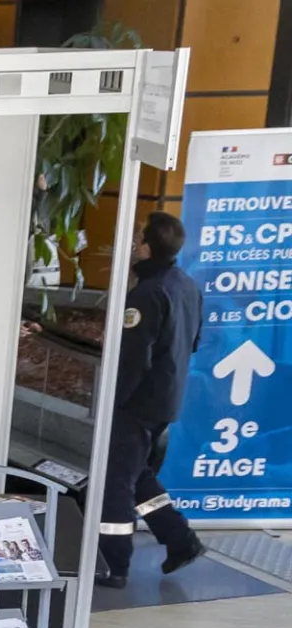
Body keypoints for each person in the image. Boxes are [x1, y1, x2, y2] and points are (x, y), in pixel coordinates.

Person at [97, 211, 205, 589]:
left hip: (137, 405)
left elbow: (133, 358)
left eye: (138, 237)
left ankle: (114, 564)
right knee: (139, 473)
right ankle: (180, 540)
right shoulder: (187, 286)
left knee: (117, 481)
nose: (133, 243)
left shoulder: (145, 294)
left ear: (147, 247)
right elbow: (193, 343)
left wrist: (114, 402)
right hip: (166, 400)